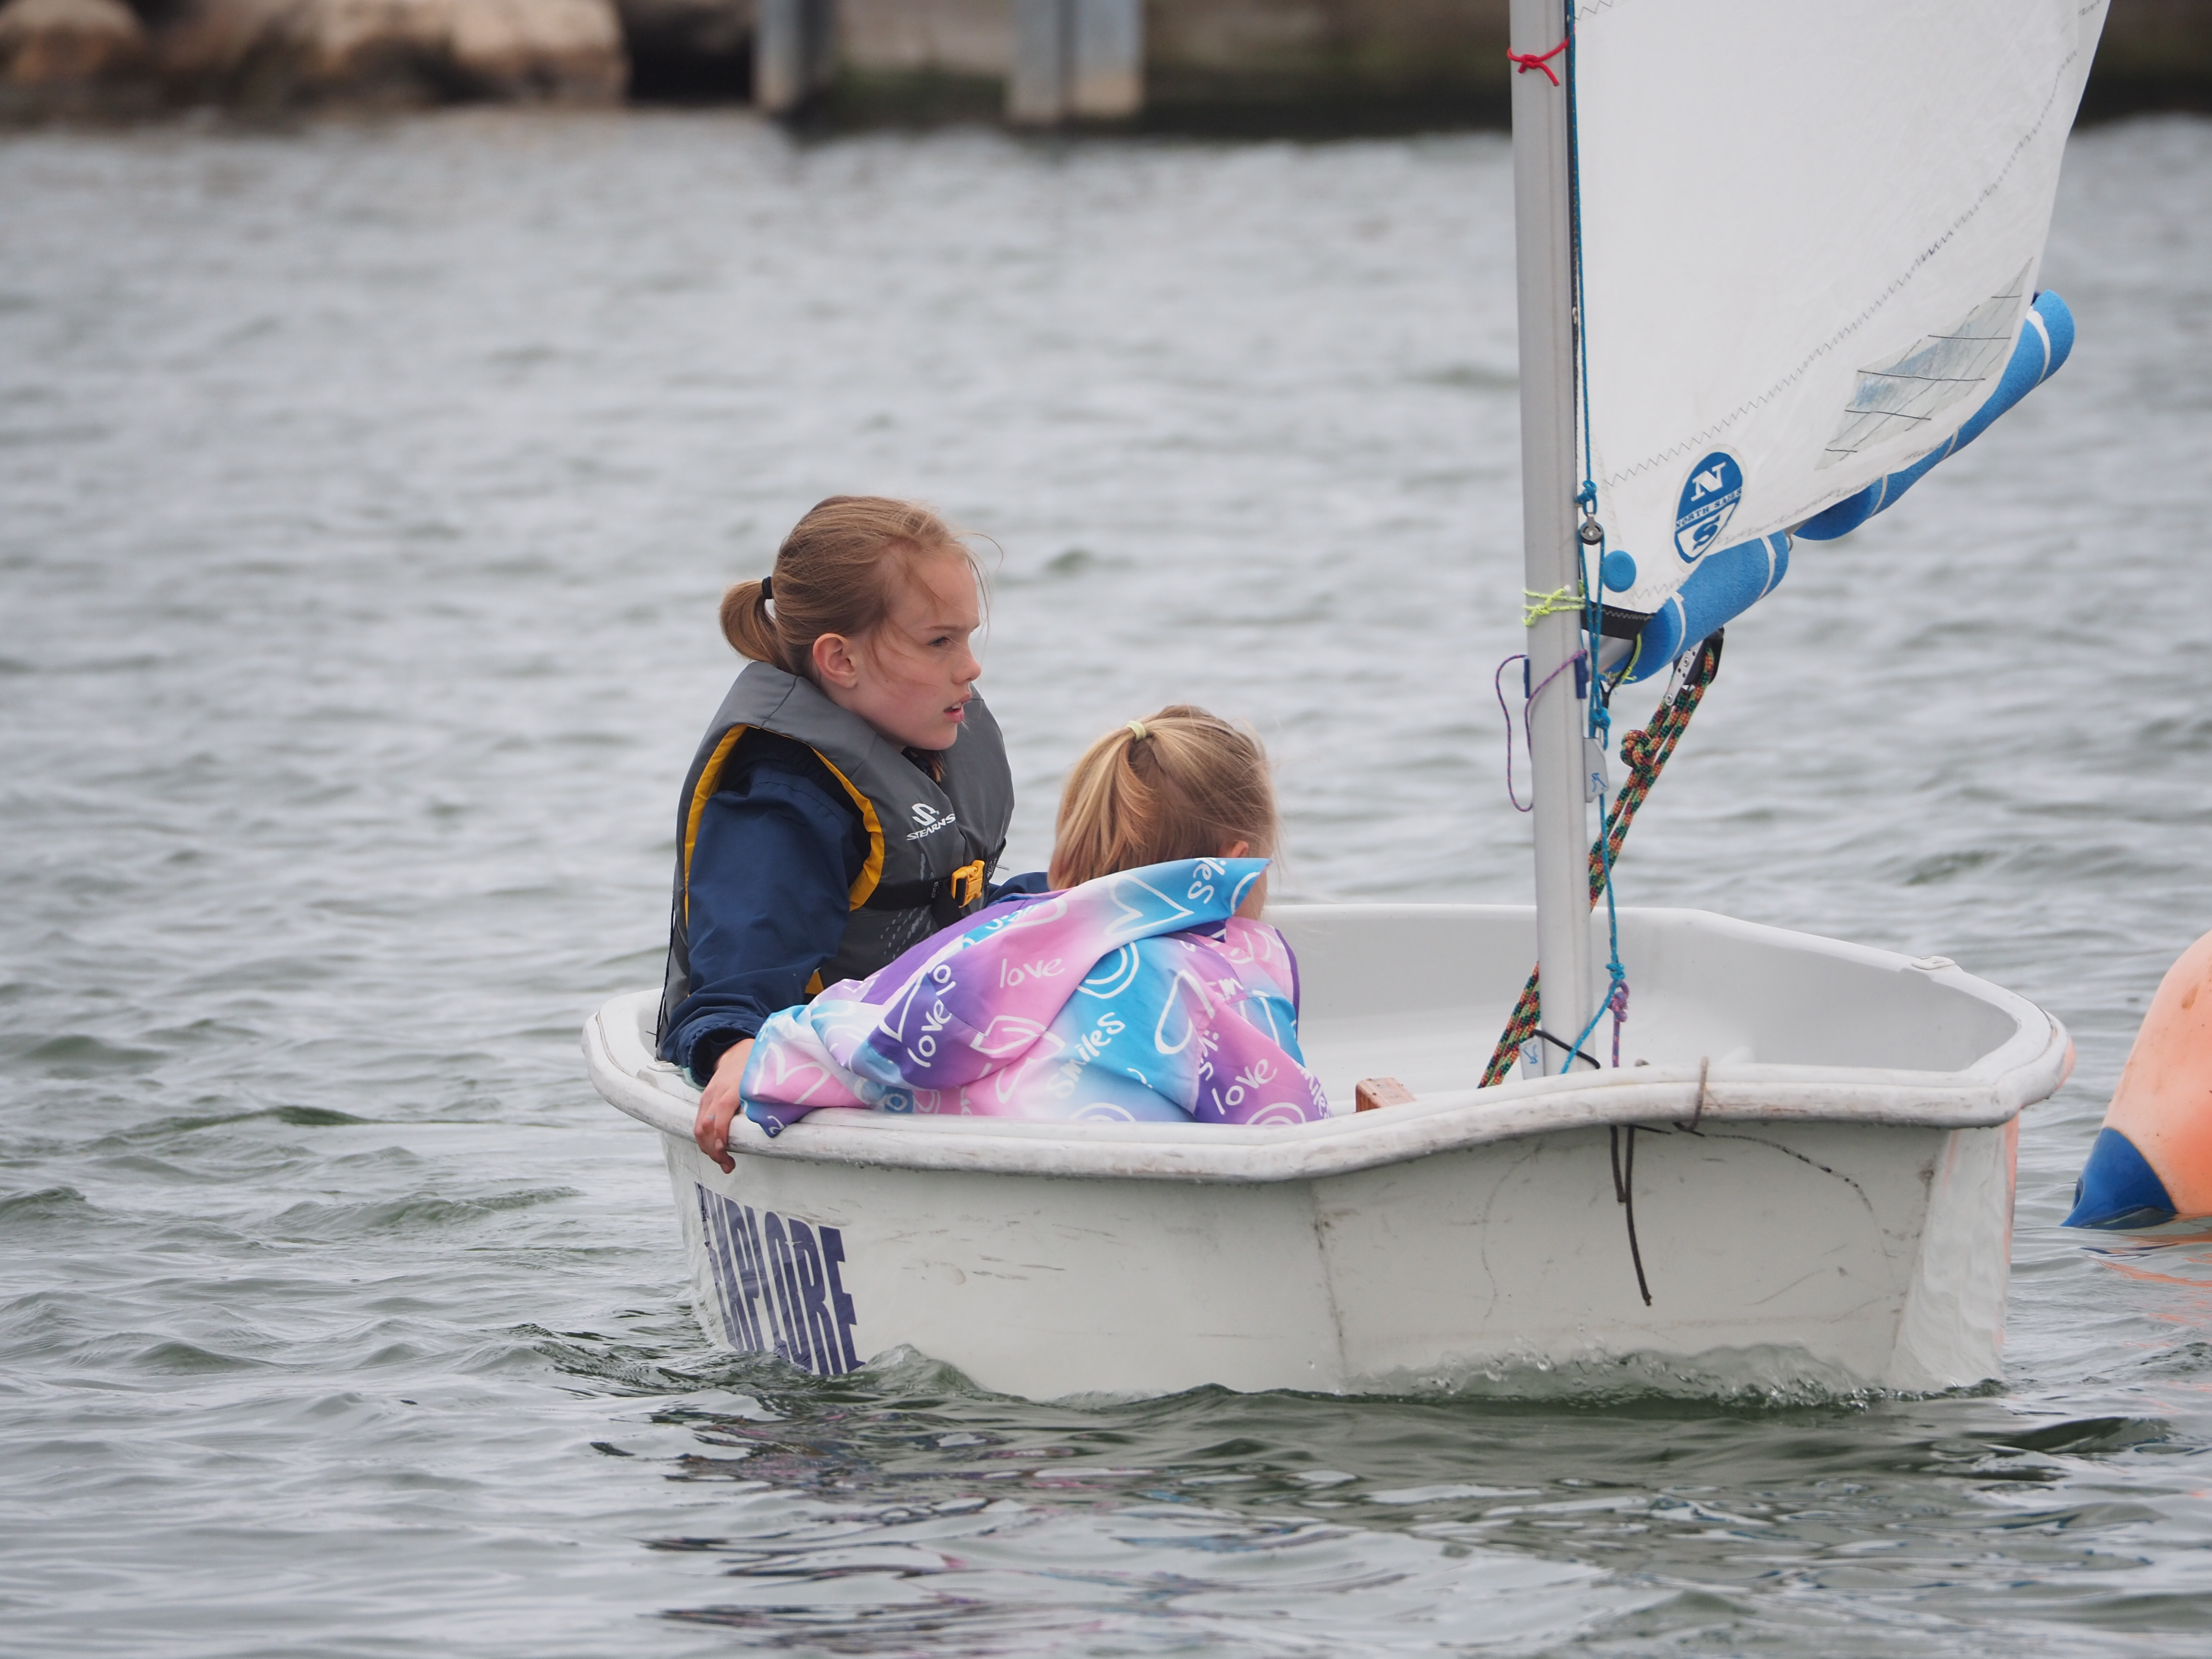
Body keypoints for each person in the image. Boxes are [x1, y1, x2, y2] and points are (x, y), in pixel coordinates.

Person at [660, 496, 1040, 1173]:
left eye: (968, 638)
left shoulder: (918, 740)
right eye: (939, 642)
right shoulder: (782, 797)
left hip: (924, 1045)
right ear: (840, 660)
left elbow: (958, 917)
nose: (971, 667)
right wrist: (738, 1053)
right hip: (844, 1087)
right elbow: (730, 997)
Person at [738, 705, 1331, 1131]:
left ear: (1068, 854)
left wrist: (761, 1062)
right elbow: (1286, 1128)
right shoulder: (1223, 977)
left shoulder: (986, 940)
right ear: (1234, 865)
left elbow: (848, 1032)